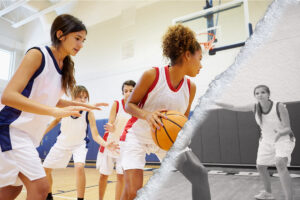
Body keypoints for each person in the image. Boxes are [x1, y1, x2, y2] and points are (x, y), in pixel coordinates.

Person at [0, 14, 106, 200]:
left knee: (10, 190)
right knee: (41, 188)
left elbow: (52, 100)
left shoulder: (64, 66)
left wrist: (81, 105)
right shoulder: (37, 55)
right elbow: (8, 96)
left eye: (83, 40)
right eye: (77, 38)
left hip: (27, 135)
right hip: (11, 130)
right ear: (60, 35)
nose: (81, 45)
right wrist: (54, 112)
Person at [119, 24, 207, 200]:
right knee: (133, 191)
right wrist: (148, 115)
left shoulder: (191, 88)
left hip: (164, 139)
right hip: (137, 136)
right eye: (200, 58)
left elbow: (182, 120)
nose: (201, 65)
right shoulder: (152, 75)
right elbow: (129, 105)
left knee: (200, 174)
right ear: (187, 55)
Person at [216, 85, 295, 200]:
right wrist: (216, 102)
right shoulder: (254, 107)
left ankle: (289, 198)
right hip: (266, 141)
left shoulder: (279, 106)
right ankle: (268, 193)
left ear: (268, 94)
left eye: (263, 92)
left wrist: (279, 133)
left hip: (283, 139)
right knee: (261, 166)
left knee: (280, 163)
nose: (260, 95)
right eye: (257, 93)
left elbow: (288, 128)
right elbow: (233, 106)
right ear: (255, 96)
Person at [43, 85, 119, 200]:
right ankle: (49, 195)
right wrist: (42, 134)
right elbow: (54, 122)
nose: (83, 99)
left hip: (79, 145)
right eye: (80, 97)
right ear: (73, 97)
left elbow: (96, 135)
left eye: (85, 97)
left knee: (79, 167)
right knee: (45, 170)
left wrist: (106, 144)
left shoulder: (88, 113)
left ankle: (80, 198)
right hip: (61, 143)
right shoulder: (65, 109)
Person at [97, 80, 136, 200]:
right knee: (104, 175)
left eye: (131, 91)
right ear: (122, 92)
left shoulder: (137, 107)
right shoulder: (117, 104)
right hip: (110, 142)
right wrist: (111, 126)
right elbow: (111, 121)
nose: (128, 93)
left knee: (121, 177)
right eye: (125, 91)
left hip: (124, 146)